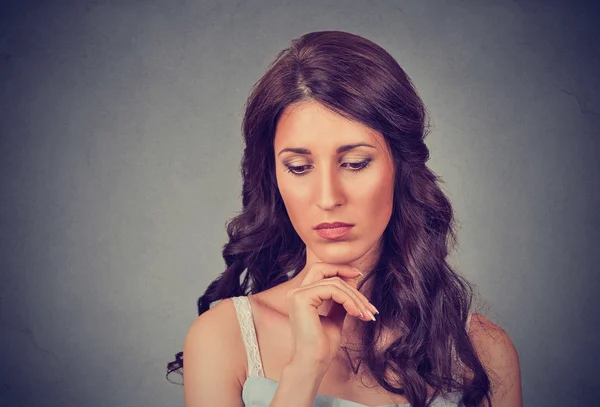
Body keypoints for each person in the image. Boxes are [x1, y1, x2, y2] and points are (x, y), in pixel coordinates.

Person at [167, 30, 522, 407]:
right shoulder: (224, 337)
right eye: (299, 167)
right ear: (275, 177)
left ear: (401, 166)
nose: (328, 197)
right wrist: (304, 369)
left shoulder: (481, 351)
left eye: (354, 163)